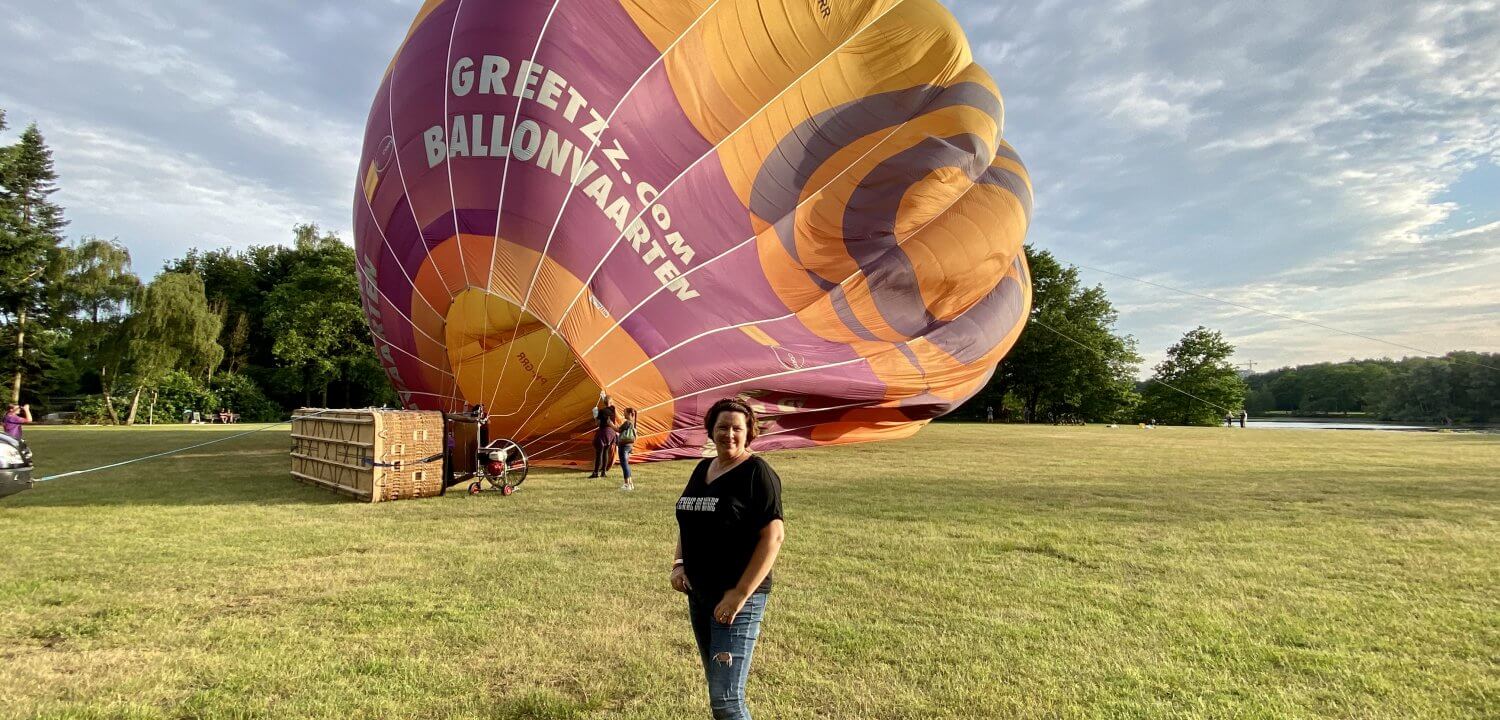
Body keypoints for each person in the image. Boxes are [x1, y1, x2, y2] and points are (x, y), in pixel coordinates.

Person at [671, 398, 785, 720]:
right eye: (722, 427)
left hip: (737, 599)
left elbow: (773, 537)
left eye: (737, 428)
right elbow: (688, 518)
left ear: (749, 432)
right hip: (700, 595)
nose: (729, 434)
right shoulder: (702, 468)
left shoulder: (757, 473)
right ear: (711, 430)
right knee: (718, 688)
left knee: (726, 700)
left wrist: (739, 594)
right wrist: (679, 563)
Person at [590, 394, 617, 478]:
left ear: (604, 402)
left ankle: (595, 473)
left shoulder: (601, 411)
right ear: (611, 402)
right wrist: (605, 398)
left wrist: (595, 416)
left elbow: (597, 423)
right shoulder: (613, 409)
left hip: (603, 433)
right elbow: (611, 405)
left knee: (599, 453)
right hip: (611, 433)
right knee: (605, 452)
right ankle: (603, 472)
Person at [617, 408, 638, 491]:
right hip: (629, 446)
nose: (623, 414)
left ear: (629, 414)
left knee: (624, 465)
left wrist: (610, 424)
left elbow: (618, 430)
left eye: (625, 413)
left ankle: (626, 485)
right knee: (626, 465)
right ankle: (630, 484)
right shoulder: (633, 422)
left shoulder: (627, 423)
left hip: (624, 446)